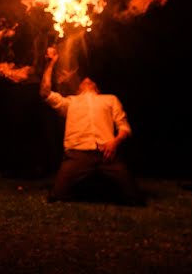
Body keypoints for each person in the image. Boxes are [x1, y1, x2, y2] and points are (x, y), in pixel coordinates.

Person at [40, 46, 145, 206]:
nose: (87, 79)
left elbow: (124, 127)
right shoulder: (70, 102)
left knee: (135, 198)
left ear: (97, 88)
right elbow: (45, 93)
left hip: (106, 153)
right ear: (78, 89)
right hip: (77, 154)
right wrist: (51, 64)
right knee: (57, 195)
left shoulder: (110, 99)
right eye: (84, 81)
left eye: (91, 81)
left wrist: (114, 142)